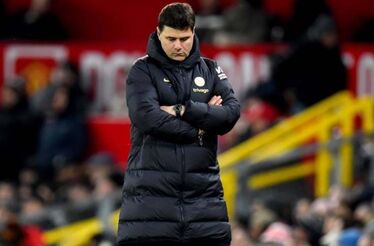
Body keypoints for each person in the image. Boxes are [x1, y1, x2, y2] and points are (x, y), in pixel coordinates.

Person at [117, 3, 240, 245]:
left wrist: (184, 109)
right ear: (158, 32)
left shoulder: (211, 70)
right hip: (150, 209)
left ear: (193, 33)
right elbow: (147, 118)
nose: (178, 45)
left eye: (184, 38)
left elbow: (231, 113)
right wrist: (203, 126)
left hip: (205, 207)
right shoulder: (142, 71)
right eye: (171, 38)